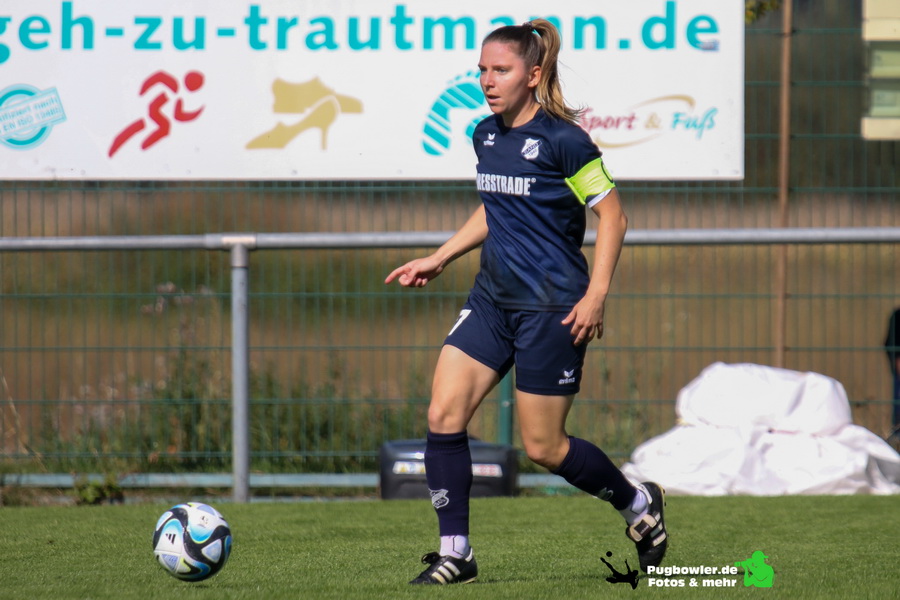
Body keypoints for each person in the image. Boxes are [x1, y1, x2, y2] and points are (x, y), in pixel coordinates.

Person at [385, 19, 668, 585]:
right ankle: (456, 554)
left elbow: (613, 217)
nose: (488, 81)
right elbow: (496, 207)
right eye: (482, 70)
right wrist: (441, 256)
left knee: (544, 447)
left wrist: (596, 295)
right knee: (442, 415)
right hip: (491, 302)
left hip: (551, 309)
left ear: (533, 74)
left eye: (501, 70)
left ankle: (638, 504)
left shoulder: (565, 141)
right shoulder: (485, 135)